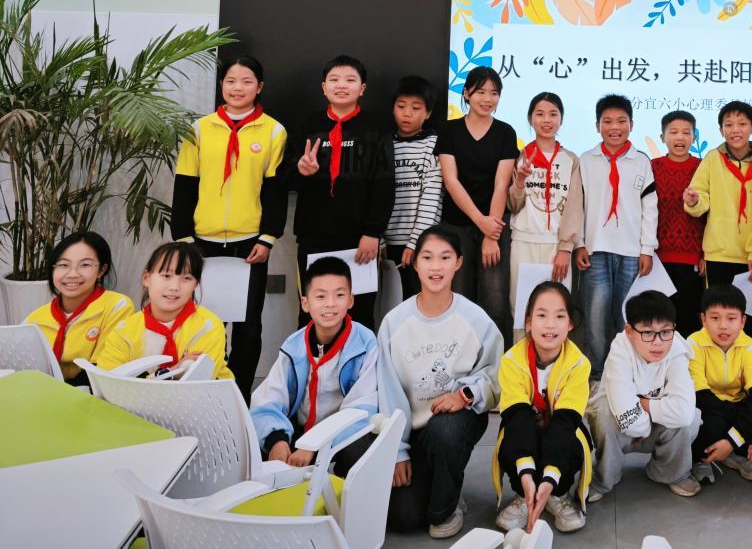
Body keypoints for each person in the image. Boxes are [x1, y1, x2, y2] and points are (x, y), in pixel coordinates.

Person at [378, 226, 504, 538]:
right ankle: (439, 483)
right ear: (414, 262)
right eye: (428, 257)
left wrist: (465, 395)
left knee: (444, 435)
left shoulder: (476, 319)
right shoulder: (394, 322)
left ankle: (447, 507)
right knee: (404, 518)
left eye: (445, 257)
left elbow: (495, 376)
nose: (436, 267)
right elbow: (388, 392)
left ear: (458, 262)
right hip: (413, 430)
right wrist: (398, 451)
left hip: (457, 422)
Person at [172, 55, 286, 397]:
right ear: (222, 85)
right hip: (201, 242)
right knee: (207, 324)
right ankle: (208, 392)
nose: (238, 88)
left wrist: (268, 237)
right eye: (231, 81)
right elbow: (185, 185)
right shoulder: (199, 129)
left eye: (246, 81)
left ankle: (239, 396)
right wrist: (183, 238)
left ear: (259, 87)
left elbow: (275, 190)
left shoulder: (274, 131)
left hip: (250, 243)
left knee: (248, 326)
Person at [289, 54, 394, 329]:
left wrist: (373, 232)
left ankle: (360, 359)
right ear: (324, 87)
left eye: (350, 80)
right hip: (313, 236)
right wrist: (301, 171)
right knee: (311, 311)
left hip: (359, 240)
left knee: (360, 312)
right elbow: (285, 179)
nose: (342, 85)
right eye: (334, 80)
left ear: (362, 88)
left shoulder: (376, 128)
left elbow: (384, 183)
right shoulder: (309, 125)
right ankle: (312, 358)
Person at [250, 256, 378, 477]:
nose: (330, 304)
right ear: (305, 303)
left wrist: (316, 444)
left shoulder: (365, 344)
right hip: (300, 433)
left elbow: (363, 408)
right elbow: (268, 399)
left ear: (351, 300)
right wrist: (277, 440)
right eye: (320, 296)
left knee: (358, 453)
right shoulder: (294, 346)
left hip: (342, 436)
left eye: (339, 295)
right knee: (260, 449)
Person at [493, 281, 592, 534]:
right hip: (525, 430)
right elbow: (517, 417)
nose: (550, 325)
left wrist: (550, 479)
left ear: (570, 324)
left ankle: (557, 494)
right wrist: (526, 474)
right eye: (541, 315)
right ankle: (523, 494)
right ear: (528, 322)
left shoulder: (579, 364)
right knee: (509, 437)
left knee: (575, 440)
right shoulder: (511, 361)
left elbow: (565, 421)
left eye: (559, 316)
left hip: (559, 431)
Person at [585, 290, 700, 500]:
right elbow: (623, 410)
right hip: (624, 426)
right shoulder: (620, 349)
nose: (658, 342)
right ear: (629, 331)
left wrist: (642, 404)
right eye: (647, 332)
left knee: (691, 418)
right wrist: (644, 424)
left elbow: (683, 413)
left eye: (665, 331)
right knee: (603, 414)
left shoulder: (677, 350)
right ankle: (604, 478)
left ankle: (668, 472)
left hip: (651, 422)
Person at [575, 94, 659, 378]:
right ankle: (597, 375)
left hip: (632, 253)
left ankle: (625, 375)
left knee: (626, 318)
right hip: (595, 250)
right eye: (607, 121)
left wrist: (647, 249)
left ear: (631, 125)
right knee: (595, 318)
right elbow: (578, 207)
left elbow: (650, 208)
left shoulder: (641, 162)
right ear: (597, 126)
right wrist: (579, 244)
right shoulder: (586, 161)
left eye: (621, 121)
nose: (615, 127)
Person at [437, 66, 520, 343]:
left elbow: (501, 184)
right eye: (481, 92)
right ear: (466, 94)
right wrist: (480, 221)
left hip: (494, 227)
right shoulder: (449, 130)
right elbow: (451, 181)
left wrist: (490, 233)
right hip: (456, 227)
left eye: (494, 93)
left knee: (495, 301)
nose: (487, 99)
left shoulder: (505, 132)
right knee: (459, 298)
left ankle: (496, 363)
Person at [684, 100, 752, 361]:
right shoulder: (713, 159)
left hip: (751, 257)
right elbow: (701, 195)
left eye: (742, 124)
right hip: (718, 254)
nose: (735, 130)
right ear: (721, 129)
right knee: (718, 319)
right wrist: (694, 201)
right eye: (729, 125)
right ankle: (716, 371)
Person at [508, 92, 583, 343]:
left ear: (561, 119)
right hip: (523, 241)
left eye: (553, 114)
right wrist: (520, 181)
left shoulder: (571, 160)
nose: (546, 120)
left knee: (557, 311)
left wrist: (565, 248)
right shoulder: (521, 156)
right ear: (530, 118)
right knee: (522, 311)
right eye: (540, 114)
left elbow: (574, 207)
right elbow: (513, 205)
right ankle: (521, 364)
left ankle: (555, 365)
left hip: (555, 247)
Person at [687, 284, 752, 484]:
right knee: (709, 422)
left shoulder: (747, 344)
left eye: (731, 318)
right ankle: (701, 458)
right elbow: (699, 394)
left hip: (735, 407)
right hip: (709, 408)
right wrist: (743, 426)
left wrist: (732, 439)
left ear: (742, 321)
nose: (723, 326)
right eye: (715, 318)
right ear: (703, 319)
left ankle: (734, 452)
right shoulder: (694, 343)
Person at [98, 242, 232, 379]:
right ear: (146, 278)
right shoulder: (124, 331)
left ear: (195, 285)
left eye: (187, 278)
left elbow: (196, 382)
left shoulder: (207, 326)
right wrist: (174, 370)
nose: (174, 287)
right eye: (166, 276)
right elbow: (108, 380)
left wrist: (145, 378)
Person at [24, 231, 133, 384]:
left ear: (101, 270)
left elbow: (105, 370)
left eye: (85, 265)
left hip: (92, 392)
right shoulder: (34, 320)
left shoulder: (117, 306)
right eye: (63, 265)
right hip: (41, 390)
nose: (72, 274)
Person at [384, 76, 443, 301]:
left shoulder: (433, 145)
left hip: (421, 243)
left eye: (416, 108)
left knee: (419, 300)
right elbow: (373, 195)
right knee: (388, 305)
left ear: (428, 113)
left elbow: (432, 198)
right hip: (385, 245)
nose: (407, 113)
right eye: (401, 106)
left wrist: (416, 242)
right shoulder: (383, 145)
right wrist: (378, 239)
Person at [652, 110, 705, 336]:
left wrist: (705, 253)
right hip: (657, 258)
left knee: (688, 319)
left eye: (686, 132)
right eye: (673, 132)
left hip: (692, 257)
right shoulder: (652, 167)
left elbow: (709, 214)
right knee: (659, 319)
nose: (680, 137)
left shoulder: (703, 167)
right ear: (662, 137)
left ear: (694, 137)